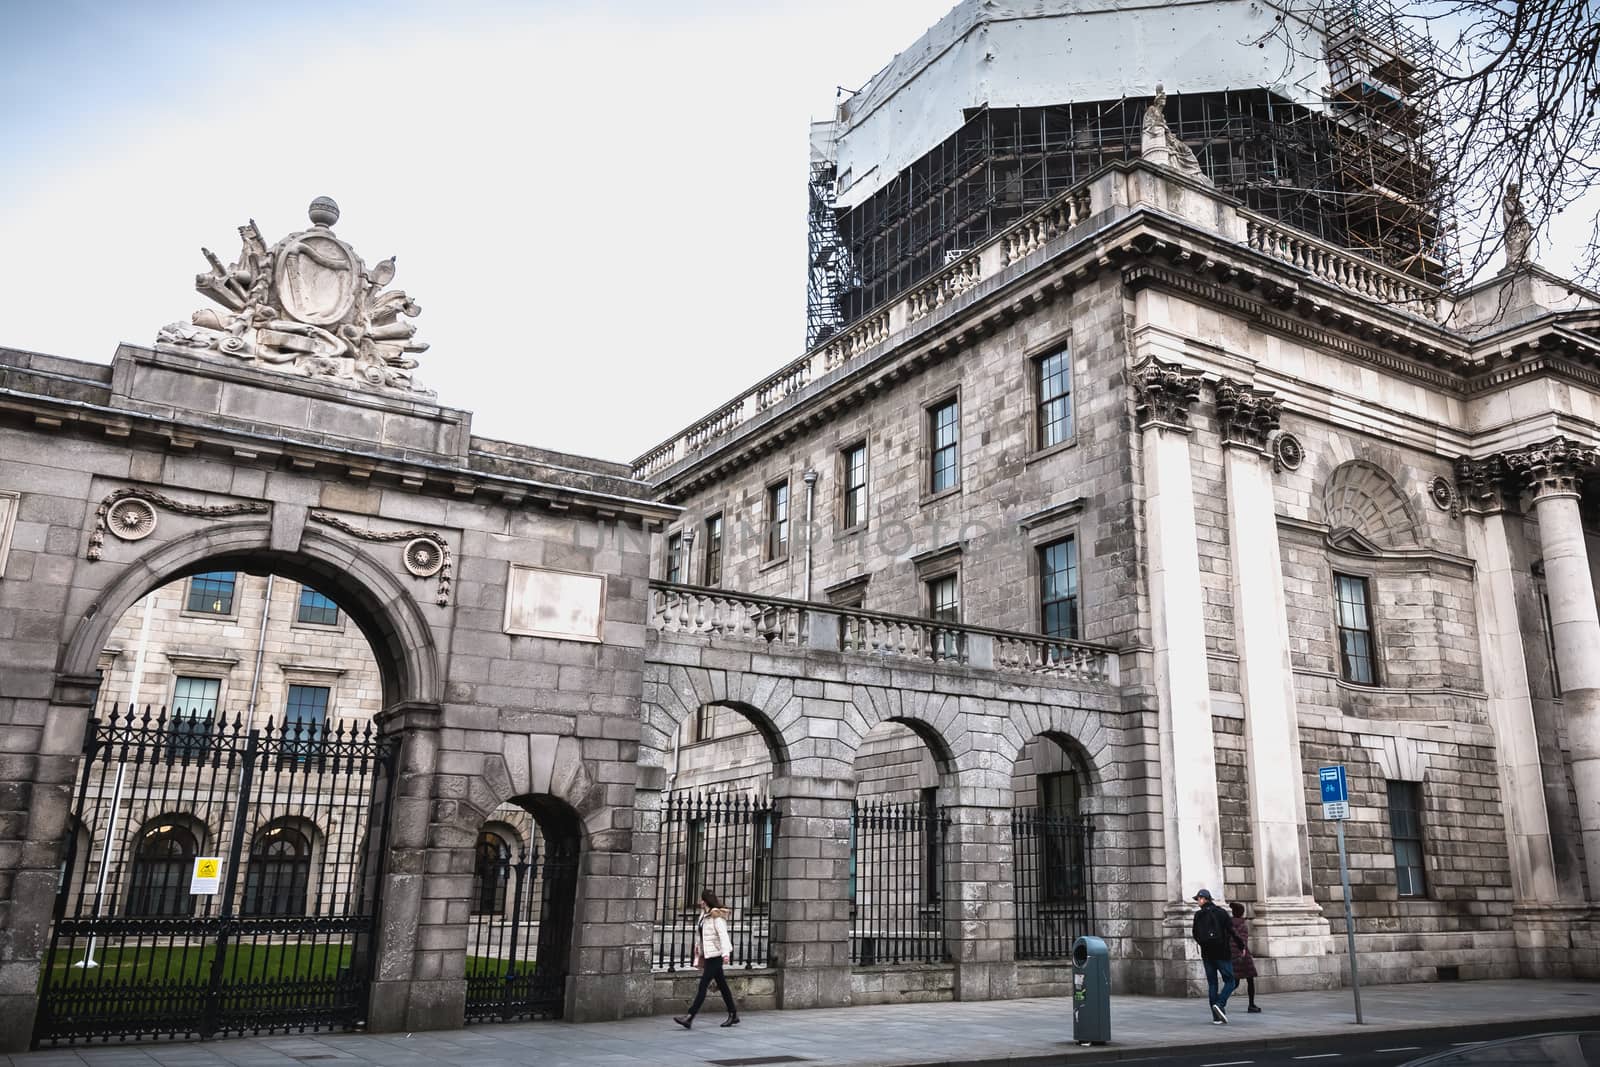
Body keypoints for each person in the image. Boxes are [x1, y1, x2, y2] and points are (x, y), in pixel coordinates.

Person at [674, 889, 739, 1029]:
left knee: (703, 985)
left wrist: (726, 953)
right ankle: (733, 1014)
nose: (700, 902)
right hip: (709, 954)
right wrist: (699, 948)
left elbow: (723, 935)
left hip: (716, 955)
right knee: (722, 985)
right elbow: (701, 934)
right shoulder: (704, 915)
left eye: (702, 899)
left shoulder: (716, 916)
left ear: (706, 900)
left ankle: (690, 1017)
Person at [1191, 889, 1239, 1024]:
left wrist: (1204, 944)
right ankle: (1220, 1004)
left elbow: (1195, 934)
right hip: (1222, 952)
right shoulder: (1221, 913)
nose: (1198, 901)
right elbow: (1232, 930)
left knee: (1213, 984)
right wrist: (1241, 946)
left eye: (1199, 899)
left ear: (1206, 899)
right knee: (1230, 981)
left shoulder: (1198, 915)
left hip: (1207, 954)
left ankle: (1216, 1016)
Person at [1229, 901, 1261, 1013]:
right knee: (1250, 980)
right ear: (1242, 913)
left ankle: (1220, 999)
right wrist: (1242, 953)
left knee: (1235, 982)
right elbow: (1243, 941)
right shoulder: (1243, 925)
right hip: (1243, 957)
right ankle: (1251, 1005)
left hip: (1232, 956)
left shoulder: (1229, 924)